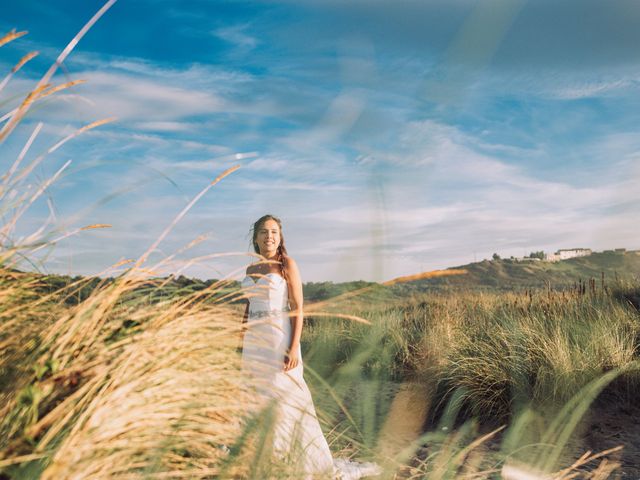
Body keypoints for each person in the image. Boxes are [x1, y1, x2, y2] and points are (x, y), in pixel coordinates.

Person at [240, 214, 382, 480]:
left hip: (279, 338)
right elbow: (248, 307)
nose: (269, 236)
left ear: (280, 237)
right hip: (253, 343)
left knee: (286, 398)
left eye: (273, 232)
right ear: (256, 237)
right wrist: (240, 339)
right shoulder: (250, 270)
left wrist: (294, 348)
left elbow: (298, 309)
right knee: (255, 398)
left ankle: (293, 459)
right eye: (263, 232)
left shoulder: (287, 265)